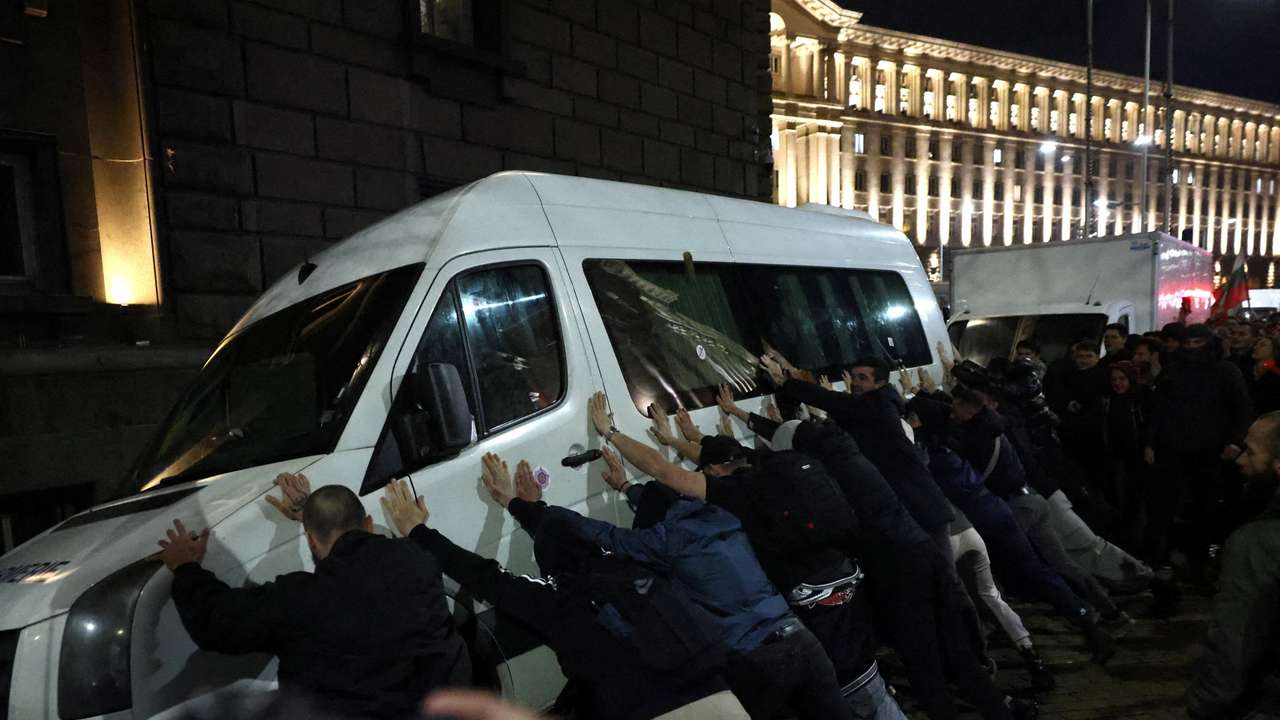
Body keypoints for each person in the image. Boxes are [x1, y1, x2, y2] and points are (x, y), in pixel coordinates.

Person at [710, 383, 1028, 720]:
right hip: (923, 549)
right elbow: (801, 430)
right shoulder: (851, 451)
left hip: (897, 571)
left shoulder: (819, 482)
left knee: (924, 664)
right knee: (958, 651)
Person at [537, 407, 880, 720]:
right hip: (801, 640)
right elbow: (664, 497)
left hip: (755, 659)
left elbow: (609, 535)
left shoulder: (665, 541)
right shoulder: (723, 514)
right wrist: (628, 485)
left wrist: (541, 510)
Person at [382, 471, 746, 720]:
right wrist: (520, 505)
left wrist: (418, 531)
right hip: (724, 699)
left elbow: (486, 577)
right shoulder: (635, 567)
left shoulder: (559, 596)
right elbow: (569, 536)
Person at [156, 475, 470, 720]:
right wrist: (311, 511)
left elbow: (217, 622)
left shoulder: (298, 600)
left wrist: (185, 568)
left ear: (310, 540)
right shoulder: (419, 562)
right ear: (368, 524)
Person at [908, 393, 1117, 666]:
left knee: (1032, 574)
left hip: (994, 516)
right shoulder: (956, 439)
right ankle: (1091, 617)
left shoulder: (937, 452)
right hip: (1001, 509)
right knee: (1038, 571)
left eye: (913, 419)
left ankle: (1087, 620)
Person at [948, 385, 1128, 629]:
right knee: (1062, 563)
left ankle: (1078, 614)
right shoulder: (996, 425)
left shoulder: (974, 435)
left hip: (1014, 508)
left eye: (956, 407)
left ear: (968, 407)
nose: (953, 413)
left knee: (1027, 568)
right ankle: (1107, 608)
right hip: (1032, 499)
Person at [1143, 323, 1254, 609]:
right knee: (1169, 508)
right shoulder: (1173, 371)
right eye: (1188, 343)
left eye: (1197, 343)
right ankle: (1170, 564)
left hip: (1211, 454)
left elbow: (1241, 408)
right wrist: (1151, 443)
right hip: (1174, 451)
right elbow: (1158, 409)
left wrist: (1235, 442)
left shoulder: (1225, 371)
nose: (1192, 348)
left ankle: (1199, 563)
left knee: (1206, 509)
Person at [1186, 412, 1280, 720]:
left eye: (1252, 452)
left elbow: (1234, 642)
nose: (1240, 460)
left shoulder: (1257, 543)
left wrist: (1204, 706)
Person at [947, 503, 1056, 691]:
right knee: (991, 596)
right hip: (970, 533)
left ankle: (977, 663)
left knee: (953, 604)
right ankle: (1031, 656)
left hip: (946, 540)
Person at [1250, 336, 1280, 416]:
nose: (1255, 347)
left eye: (1262, 345)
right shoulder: (1245, 369)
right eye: (1256, 344)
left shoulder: (1276, 375)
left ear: (1274, 351)